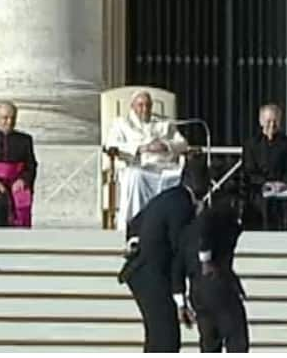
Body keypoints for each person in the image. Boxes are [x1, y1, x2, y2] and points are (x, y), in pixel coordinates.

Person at [118, 155, 210, 353]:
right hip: (151, 274)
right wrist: (180, 299)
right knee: (166, 339)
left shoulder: (169, 196)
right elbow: (179, 255)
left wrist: (134, 241)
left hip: (141, 272)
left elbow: (135, 222)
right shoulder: (184, 207)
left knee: (158, 336)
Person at [182, 183, 250, 353]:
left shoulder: (188, 229)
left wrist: (180, 301)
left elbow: (178, 264)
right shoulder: (217, 216)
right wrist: (206, 258)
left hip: (197, 291)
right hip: (216, 282)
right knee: (236, 336)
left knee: (210, 340)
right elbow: (206, 230)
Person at [107, 90, 189, 230]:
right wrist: (141, 148)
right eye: (140, 105)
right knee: (136, 177)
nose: (145, 109)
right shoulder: (121, 124)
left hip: (165, 168)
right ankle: (137, 225)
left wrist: (166, 145)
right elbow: (110, 145)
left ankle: (172, 226)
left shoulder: (164, 122)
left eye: (148, 105)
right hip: (138, 167)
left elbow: (183, 144)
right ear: (132, 106)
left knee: (180, 176)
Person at [243, 103, 287, 231]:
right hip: (259, 189)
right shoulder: (252, 144)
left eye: (275, 121)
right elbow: (248, 170)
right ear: (261, 121)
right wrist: (265, 184)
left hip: (283, 189)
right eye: (268, 121)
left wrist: (283, 184)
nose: (272, 125)